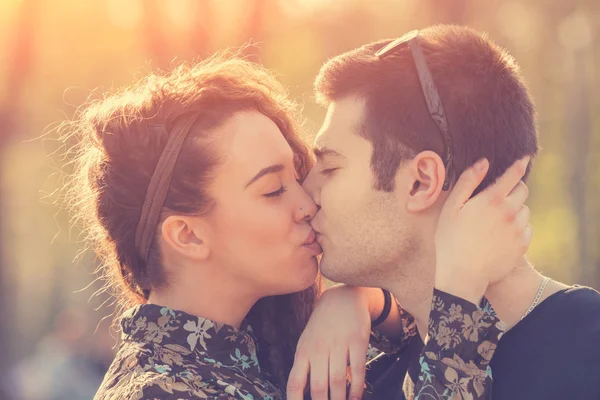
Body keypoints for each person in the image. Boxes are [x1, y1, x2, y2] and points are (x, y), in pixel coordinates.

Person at [63, 54, 527, 400]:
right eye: (272, 190)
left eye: (298, 172)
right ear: (188, 235)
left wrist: (356, 300)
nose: (307, 202)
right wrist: (460, 284)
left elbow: (412, 335)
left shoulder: (264, 346)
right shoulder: (158, 390)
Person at [287, 25, 600, 400]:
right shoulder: (359, 380)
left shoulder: (589, 351)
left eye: (331, 167)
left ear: (421, 181)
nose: (307, 194)